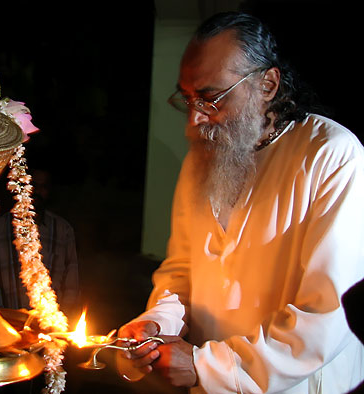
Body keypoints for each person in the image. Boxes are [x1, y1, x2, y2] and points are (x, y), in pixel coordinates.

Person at [119, 12, 364, 394]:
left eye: (211, 97)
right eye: (187, 99)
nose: (196, 118)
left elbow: (327, 313)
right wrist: (155, 325)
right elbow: (182, 271)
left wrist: (207, 366)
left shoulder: (331, 155)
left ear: (267, 84)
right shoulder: (201, 160)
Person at [0, 167, 80, 319]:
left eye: (43, 187)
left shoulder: (62, 230)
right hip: (6, 324)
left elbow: (71, 284)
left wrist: (62, 322)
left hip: (50, 327)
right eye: (32, 185)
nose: (36, 191)